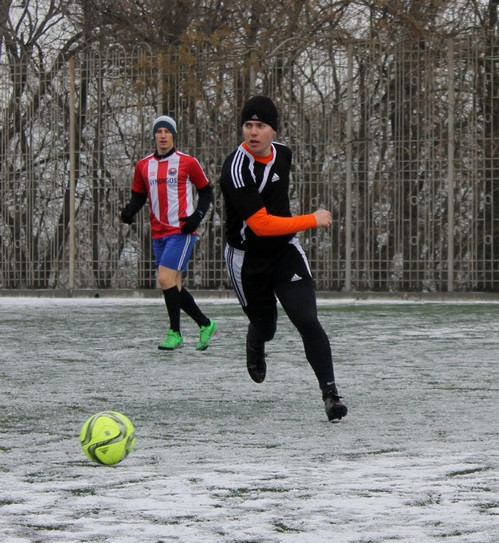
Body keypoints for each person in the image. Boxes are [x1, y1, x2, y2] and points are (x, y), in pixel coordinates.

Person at [218, 96, 347, 422]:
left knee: (306, 319)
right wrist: (311, 219)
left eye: (261, 125)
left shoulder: (283, 155)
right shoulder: (235, 168)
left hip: (284, 252)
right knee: (268, 327)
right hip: (247, 261)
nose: (253, 132)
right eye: (248, 125)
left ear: (274, 129)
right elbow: (260, 225)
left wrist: (294, 229)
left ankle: (331, 394)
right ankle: (255, 339)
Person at [119, 115, 218, 351]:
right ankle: (205, 324)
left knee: (164, 279)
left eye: (167, 131)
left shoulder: (187, 162)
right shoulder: (143, 165)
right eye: (159, 131)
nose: (163, 136)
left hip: (181, 231)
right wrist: (129, 211)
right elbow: (139, 195)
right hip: (158, 232)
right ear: (154, 135)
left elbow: (206, 192)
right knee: (174, 285)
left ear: (173, 135)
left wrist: (196, 218)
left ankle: (175, 333)